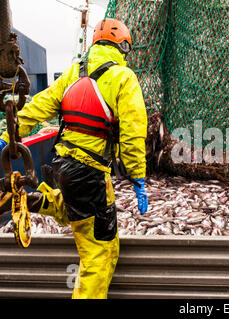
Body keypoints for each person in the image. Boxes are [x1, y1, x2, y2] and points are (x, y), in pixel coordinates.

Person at [0, 18, 148, 299]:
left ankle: (35, 200)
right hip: (90, 173)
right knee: (98, 256)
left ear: (94, 43)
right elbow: (132, 131)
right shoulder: (123, 77)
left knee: (81, 212)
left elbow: (37, 107)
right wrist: (137, 176)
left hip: (63, 167)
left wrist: (6, 136)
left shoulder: (72, 74)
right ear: (124, 46)